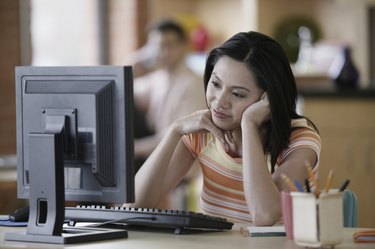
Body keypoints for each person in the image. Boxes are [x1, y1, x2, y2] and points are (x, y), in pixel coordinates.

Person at [131, 31, 321, 226]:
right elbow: (135, 205)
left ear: (268, 99)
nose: (219, 102)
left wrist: (249, 124)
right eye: (215, 84)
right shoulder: (202, 132)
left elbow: (265, 215)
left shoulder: (299, 140)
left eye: (238, 94)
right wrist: (175, 130)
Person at [129, 19, 206, 170]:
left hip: (180, 165)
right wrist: (139, 58)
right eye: (156, 46)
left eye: (167, 45)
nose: (160, 52)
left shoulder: (193, 84)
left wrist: (133, 148)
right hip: (157, 156)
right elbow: (123, 90)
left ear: (183, 46)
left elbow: (180, 136)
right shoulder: (158, 78)